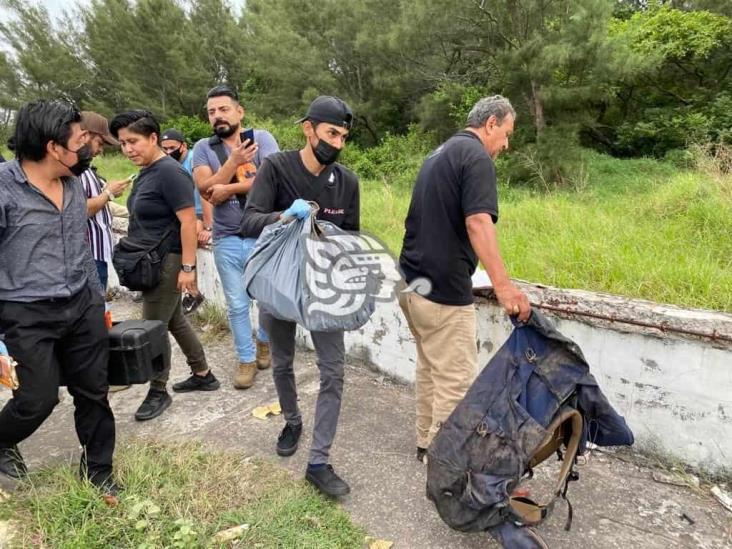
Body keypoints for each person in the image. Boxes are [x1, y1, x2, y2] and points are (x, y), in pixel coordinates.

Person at [398, 95, 531, 463]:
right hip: (442, 293)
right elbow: (478, 222)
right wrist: (504, 287)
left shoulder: (440, 152)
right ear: (491, 124)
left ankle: (426, 443)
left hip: (412, 284)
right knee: (456, 382)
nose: (506, 144)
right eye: (506, 133)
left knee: (430, 369)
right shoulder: (476, 157)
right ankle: (447, 466)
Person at [241, 95, 359, 497]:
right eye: (331, 133)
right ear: (308, 129)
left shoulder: (347, 182)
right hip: (279, 284)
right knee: (282, 362)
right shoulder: (276, 168)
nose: (337, 143)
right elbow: (248, 221)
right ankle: (292, 420)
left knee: (334, 371)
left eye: (343, 136)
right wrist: (282, 216)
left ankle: (319, 461)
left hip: (325, 289)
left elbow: (352, 238)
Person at [0, 100, 118, 496]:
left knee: (93, 391)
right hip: (25, 311)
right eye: (81, 140)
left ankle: (99, 471)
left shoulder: (71, 183)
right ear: (54, 147)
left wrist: (97, 303)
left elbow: (81, 249)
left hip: (81, 304)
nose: (88, 147)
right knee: (37, 398)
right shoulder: (4, 188)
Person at [109, 111, 220, 421]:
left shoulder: (171, 173)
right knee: (173, 321)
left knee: (152, 328)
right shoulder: (148, 171)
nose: (128, 149)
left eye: (134, 141)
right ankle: (202, 373)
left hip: (166, 261)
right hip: (150, 258)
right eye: (122, 144)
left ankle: (158, 390)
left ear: (153, 138)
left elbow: (188, 222)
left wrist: (188, 268)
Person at [192, 85, 279, 389]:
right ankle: (245, 359)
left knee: (267, 299)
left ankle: (264, 343)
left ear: (239, 112)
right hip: (227, 236)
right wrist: (234, 162)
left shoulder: (263, 139)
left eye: (223, 109)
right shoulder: (203, 148)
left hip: (262, 234)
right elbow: (204, 189)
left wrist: (226, 189)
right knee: (237, 305)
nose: (217, 116)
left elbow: (270, 182)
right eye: (212, 112)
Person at [80, 111, 131, 291]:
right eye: (99, 143)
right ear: (84, 136)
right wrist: (108, 193)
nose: (100, 150)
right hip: (88, 256)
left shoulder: (86, 169)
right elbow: (81, 210)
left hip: (97, 254)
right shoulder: (74, 172)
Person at [160, 128, 214, 248]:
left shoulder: (193, 160)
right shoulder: (169, 164)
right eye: (165, 149)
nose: (168, 152)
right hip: (180, 213)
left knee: (192, 235)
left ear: (183, 145)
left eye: (172, 148)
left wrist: (208, 226)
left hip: (198, 213)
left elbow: (204, 191)